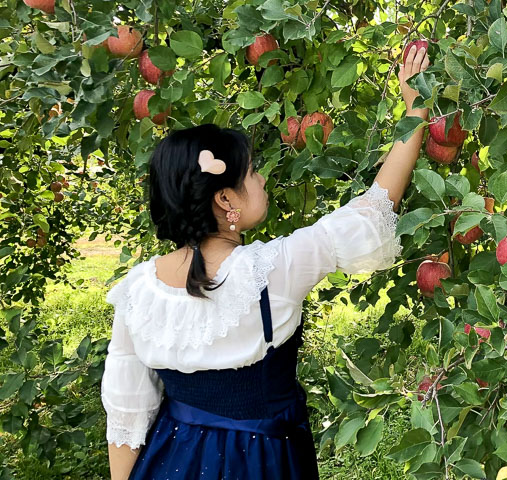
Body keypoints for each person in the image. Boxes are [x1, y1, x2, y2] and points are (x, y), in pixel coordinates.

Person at [101, 46, 431, 479]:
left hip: (171, 459)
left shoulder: (136, 291)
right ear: (225, 200)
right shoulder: (272, 268)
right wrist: (416, 112)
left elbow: (127, 419)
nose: (261, 179)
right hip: (262, 463)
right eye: (252, 172)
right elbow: (374, 210)